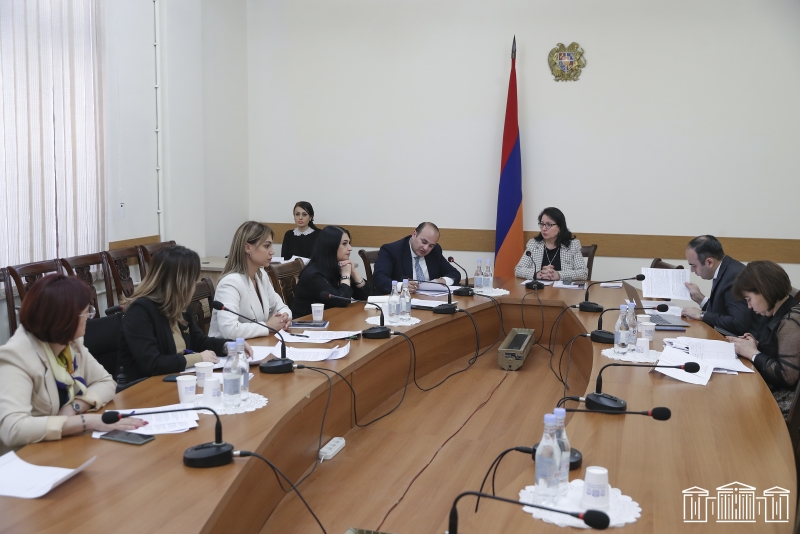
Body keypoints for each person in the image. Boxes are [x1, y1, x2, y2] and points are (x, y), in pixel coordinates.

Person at [0, 275, 145, 455]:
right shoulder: (15, 357)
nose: (90, 316)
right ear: (65, 319)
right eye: (86, 311)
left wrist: (75, 407)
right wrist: (86, 421)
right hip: (29, 456)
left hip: (64, 447)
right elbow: (13, 428)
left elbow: (106, 382)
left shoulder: (71, 343)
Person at [118, 245, 251, 382]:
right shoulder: (139, 312)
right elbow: (152, 363)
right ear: (179, 282)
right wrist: (198, 358)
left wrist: (228, 346)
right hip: (146, 386)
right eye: (193, 279)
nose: (194, 284)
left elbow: (199, 341)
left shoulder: (179, 306)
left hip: (177, 378)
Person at [726, 261, 800, 418]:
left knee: (731, 403)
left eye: (749, 299)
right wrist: (755, 346)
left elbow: (788, 375)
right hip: (778, 390)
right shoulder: (780, 310)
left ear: (764, 291)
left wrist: (752, 353)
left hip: (788, 401)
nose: (749, 306)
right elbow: (780, 350)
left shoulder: (791, 321)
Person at [209, 221, 292, 339]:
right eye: (266, 246)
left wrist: (285, 318)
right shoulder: (230, 283)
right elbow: (230, 330)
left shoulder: (261, 276)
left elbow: (281, 307)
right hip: (228, 349)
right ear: (248, 248)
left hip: (256, 344)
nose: (272, 251)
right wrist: (268, 326)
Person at [681, 235, 760, 337]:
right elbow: (722, 311)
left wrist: (702, 315)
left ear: (709, 262)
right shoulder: (725, 269)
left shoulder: (734, 276)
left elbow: (738, 323)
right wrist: (701, 299)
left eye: (694, 265)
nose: (692, 270)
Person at [291, 225, 372, 317]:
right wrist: (345, 275)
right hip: (308, 323)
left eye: (349, 243)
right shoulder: (313, 275)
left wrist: (353, 272)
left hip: (332, 318)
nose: (350, 248)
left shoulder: (337, 267)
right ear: (331, 246)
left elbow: (367, 296)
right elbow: (341, 300)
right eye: (344, 244)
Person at [372, 222, 461, 295]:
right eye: (424, 242)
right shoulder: (392, 250)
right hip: (402, 302)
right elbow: (378, 278)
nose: (426, 248)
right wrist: (401, 286)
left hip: (430, 301)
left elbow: (454, 273)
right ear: (414, 234)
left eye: (431, 245)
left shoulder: (435, 251)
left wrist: (444, 281)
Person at [514, 207, 588, 282]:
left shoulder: (572, 245)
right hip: (539, 288)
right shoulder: (534, 244)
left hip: (562, 289)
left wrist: (559, 275)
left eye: (549, 225)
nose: (544, 228)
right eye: (542, 224)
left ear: (560, 227)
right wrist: (538, 274)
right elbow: (518, 270)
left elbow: (583, 273)